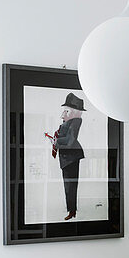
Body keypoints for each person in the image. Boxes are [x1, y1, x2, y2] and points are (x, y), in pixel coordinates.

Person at [53, 93, 85, 221]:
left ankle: (72, 211)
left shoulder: (76, 121)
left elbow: (71, 140)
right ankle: (71, 210)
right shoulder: (68, 120)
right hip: (66, 158)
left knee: (70, 186)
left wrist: (57, 142)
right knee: (68, 186)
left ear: (73, 111)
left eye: (67, 110)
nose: (64, 113)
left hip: (71, 158)